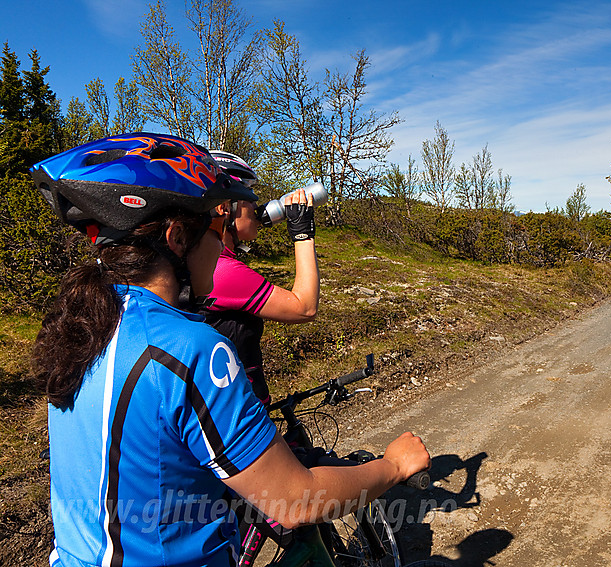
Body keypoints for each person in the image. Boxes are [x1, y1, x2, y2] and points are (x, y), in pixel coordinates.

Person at [31, 133, 430, 567]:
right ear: (178, 236)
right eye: (215, 232)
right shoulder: (188, 348)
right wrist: (392, 465)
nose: (222, 247)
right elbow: (295, 502)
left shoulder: (82, 327)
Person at [203, 150, 319, 406]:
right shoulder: (220, 270)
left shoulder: (212, 262)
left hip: (238, 406)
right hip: (240, 419)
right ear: (225, 207)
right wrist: (303, 234)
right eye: (248, 199)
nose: (256, 206)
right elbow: (305, 308)